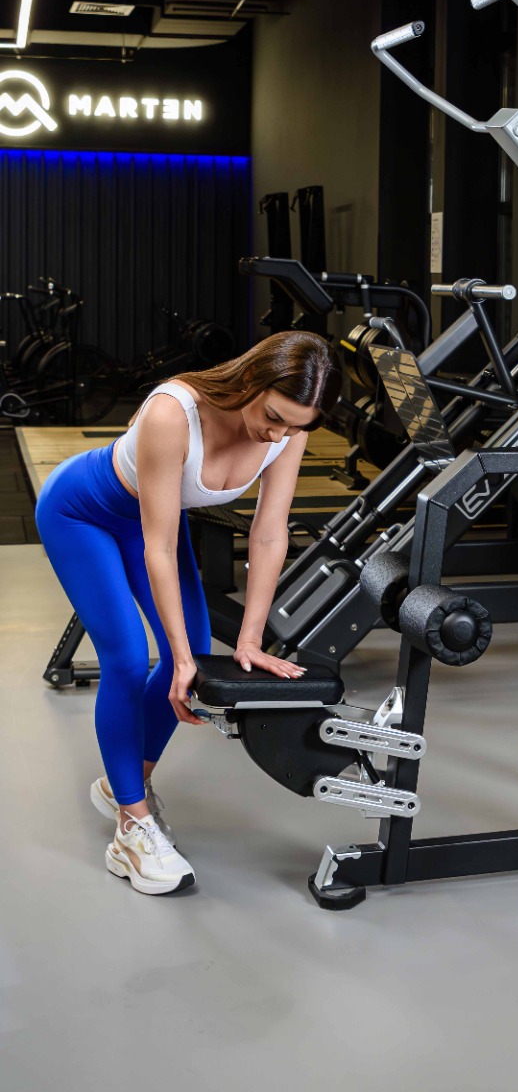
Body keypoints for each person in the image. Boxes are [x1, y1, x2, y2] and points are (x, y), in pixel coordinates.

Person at [35, 331, 341, 896]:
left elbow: (269, 534)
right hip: (82, 514)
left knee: (197, 656)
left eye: (295, 426)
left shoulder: (289, 432)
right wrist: (173, 656)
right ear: (251, 381)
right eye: (273, 417)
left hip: (154, 525)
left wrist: (249, 641)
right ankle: (131, 829)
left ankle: (125, 786)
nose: (278, 434)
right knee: (129, 659)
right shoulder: (174, 412)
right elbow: (159, 546)